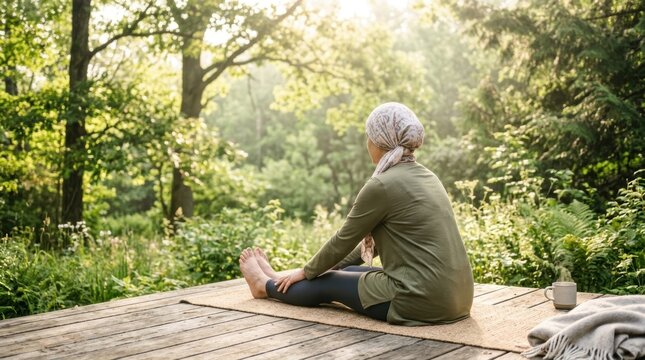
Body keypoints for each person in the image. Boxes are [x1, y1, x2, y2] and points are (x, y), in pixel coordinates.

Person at [239, 102, 474, 325]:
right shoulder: (428, 177)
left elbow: (343, 239)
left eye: (369, 136)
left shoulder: (382, 185)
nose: (367, 142)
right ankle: (279, 280)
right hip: (457, 298)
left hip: (420, 300)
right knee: (345, 272)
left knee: (327, 282)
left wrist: (307, 271)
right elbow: (380, 246)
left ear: (380, 141)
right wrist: (325, 268)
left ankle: (264, 286)